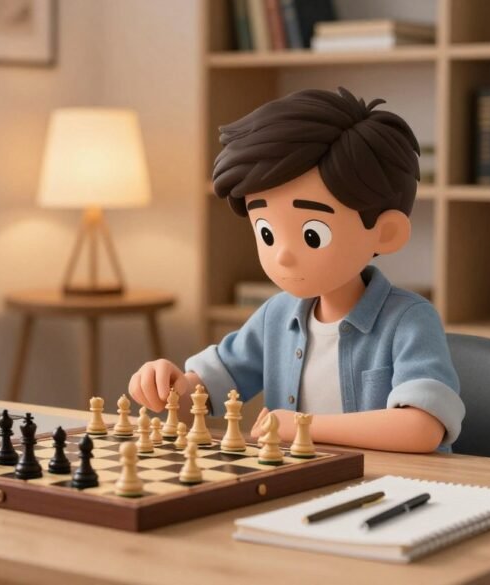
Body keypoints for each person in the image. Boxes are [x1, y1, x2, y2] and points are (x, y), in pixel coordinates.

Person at [128, 88, 465, 454]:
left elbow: (421, 428)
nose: (283, 255)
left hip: (392, 483)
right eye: (267, 233)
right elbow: (205, 390)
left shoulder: (410, 321)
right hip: (305, 480)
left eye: (311, 235)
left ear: (386, 232)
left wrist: (303, 426)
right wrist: (167, 384)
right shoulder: (277, 316)